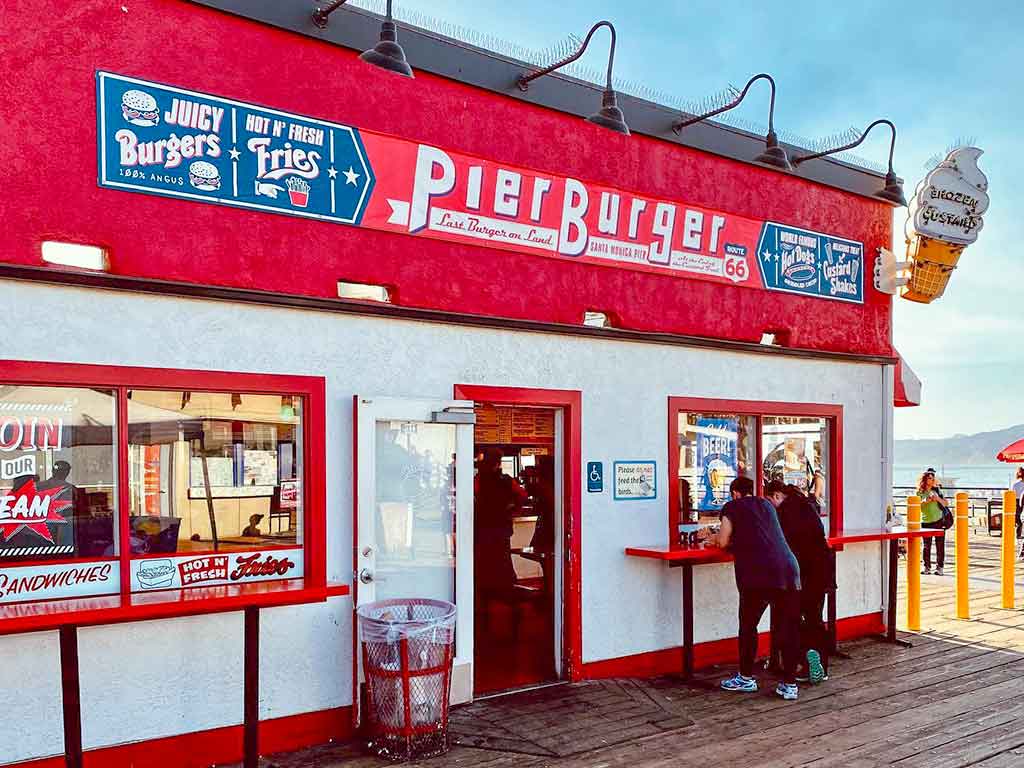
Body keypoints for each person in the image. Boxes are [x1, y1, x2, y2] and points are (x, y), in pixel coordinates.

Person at [702, 476, 802, 701]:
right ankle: (789, 684)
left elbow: (724, 540)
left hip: (758, 573)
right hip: (788, 568)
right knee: (788, 628)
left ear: (735, 493)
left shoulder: (732, 506)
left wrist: (712, 538)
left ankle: (746, 677)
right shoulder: (766, 504)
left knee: (748, 626)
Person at [766, 481, 830, 684]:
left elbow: (778, 542)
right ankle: (821, 663)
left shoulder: (784, 513)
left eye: (769, 500)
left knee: (793, 620)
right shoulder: (806, 504)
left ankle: (800, 661)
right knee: (815, 619)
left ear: (776, 495)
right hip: (822, 570)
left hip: (801, 573)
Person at [918, 471, 948, 575]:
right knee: (926, 546)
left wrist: (937, 498)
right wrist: (927, 500)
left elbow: (945, 503)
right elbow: (917, 505)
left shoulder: (937, 490)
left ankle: (940, 568)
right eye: (929, 478)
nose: (931, 480)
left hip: (939, 521)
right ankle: (926, 567)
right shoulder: (920, 492)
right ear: (924, 479)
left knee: (940, 545)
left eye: (932, 478)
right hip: (926, 522)